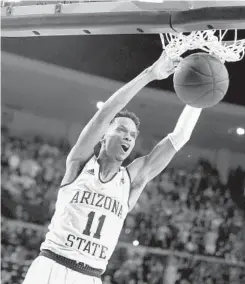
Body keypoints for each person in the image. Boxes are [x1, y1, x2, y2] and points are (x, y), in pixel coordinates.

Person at [22, 51, 202, 284]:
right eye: (121, 130)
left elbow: (179, 138)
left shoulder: (133, 178)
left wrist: (198, 98)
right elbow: (104, 114)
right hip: (52, 266)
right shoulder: (79, 163)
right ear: (103, 136)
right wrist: (149, 74)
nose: (128, 137)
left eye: (133, 135)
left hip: (90, 277)